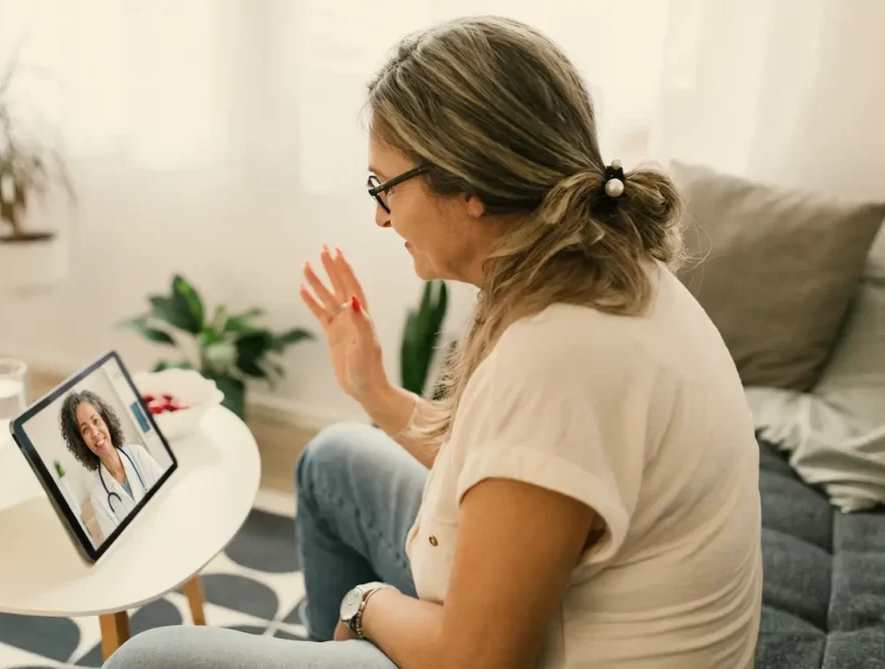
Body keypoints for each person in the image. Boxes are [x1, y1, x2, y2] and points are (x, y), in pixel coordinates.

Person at [103, 15, 762, 669]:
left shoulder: (559, 355)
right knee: (334, 460)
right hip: (542, 616)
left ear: (468, 183)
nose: (380, 216)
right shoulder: (595, 266)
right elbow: (507, 476)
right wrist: (377, 393)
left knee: (148, 659)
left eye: (383, 186)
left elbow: (479, 657)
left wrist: (365, 605)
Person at [59, 389, 166, 538]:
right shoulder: (98, 496)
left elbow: (169, 493)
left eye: (96, 421)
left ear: (106, 421)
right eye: (85, 430)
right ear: (81, 442)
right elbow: (118, 547)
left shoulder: (138, 454)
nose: (95, 433)